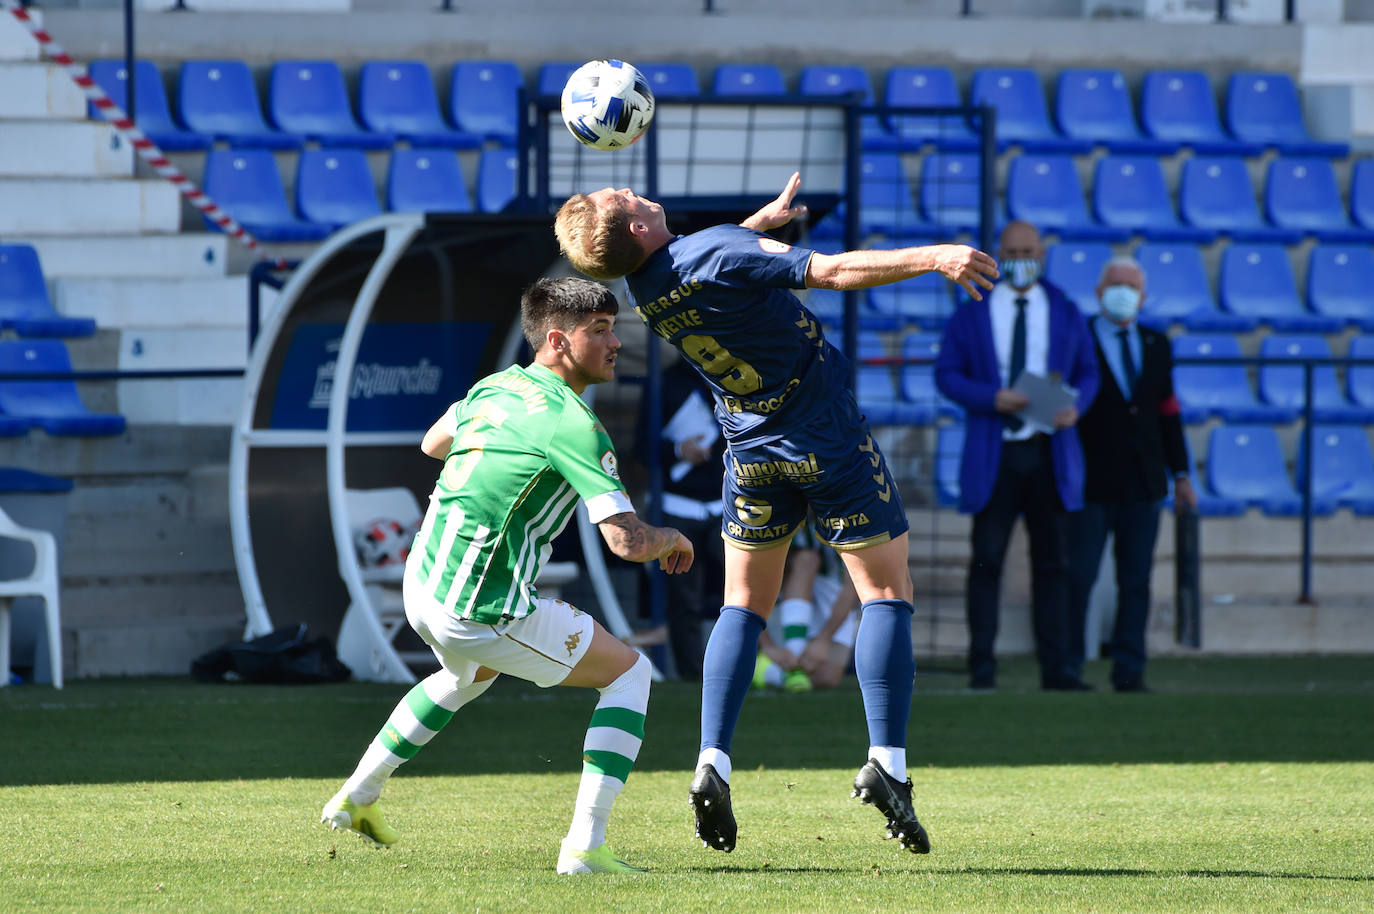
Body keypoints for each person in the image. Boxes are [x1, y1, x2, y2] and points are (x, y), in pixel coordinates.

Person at [554, 173, 998, 856]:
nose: (637, 193)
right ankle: (888, 762)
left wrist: (753, 229)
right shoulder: (712, 252)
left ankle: (712, 760)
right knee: (885, 592)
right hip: (822, 433)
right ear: (638, 230)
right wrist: (936, 256)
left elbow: (708, 264)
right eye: (628, 201)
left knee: (742, 606)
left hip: (750, 449)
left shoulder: (645, 284)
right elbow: (834, 271)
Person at [320, 277, 694, 876]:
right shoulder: (575, 426)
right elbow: (626, 542)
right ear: (557, 341)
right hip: (479, 604)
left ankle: (356, 798)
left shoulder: (495, 388)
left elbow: (433, 443)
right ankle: (585, 848)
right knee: (630, 675)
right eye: (599, 331)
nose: (615, 343)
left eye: (614, 329)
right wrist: (672, 537)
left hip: (424, 582)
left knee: (464, 677)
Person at [933, 220, 1100, 692]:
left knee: (1054, 563)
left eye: (1028, 250)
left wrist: (1075, 407)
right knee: (986, 560)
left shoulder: (1064, 309)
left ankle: (1058, 668)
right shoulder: (972, 312)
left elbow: (1089, 372)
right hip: (994, 453)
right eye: (1012, 251)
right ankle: (981, 667)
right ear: (998, 255)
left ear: (1042, 254)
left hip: (1051, 451)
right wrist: (993, 397)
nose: (1020, 259)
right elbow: (947, 374)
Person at [1066, 257, 1197, 692]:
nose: (1123, 292)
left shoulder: (1157, 342)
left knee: (1136, 579)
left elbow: (1168, 413)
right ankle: (1065, 668)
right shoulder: (1077, 337)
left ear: (1142, 296)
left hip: (1144, 483)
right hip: (1090, 480)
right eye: (1115, 284)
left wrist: (1181, 473)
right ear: (1100, 291)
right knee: (1079, 574)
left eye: (1131, 286)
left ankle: (1129, 669)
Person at [634, 354, 728, 680]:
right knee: (682, 597)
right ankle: (693, 676)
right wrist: (678, 450)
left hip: (724, 505)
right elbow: (641, 446)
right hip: (677, 507)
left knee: (742, 585)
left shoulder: (731, 376)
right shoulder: (664, 382)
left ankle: (746, 664)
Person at [753, 525, 860, 691]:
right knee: (807, 558)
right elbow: (749, 586)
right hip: (784, 588)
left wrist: (823, 639)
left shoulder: (847, 518)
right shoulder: (778, 513)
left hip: (832, 590)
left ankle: (767, 670)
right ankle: (793, 656)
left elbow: (851, 587)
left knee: (826, 678)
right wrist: (767, 645)